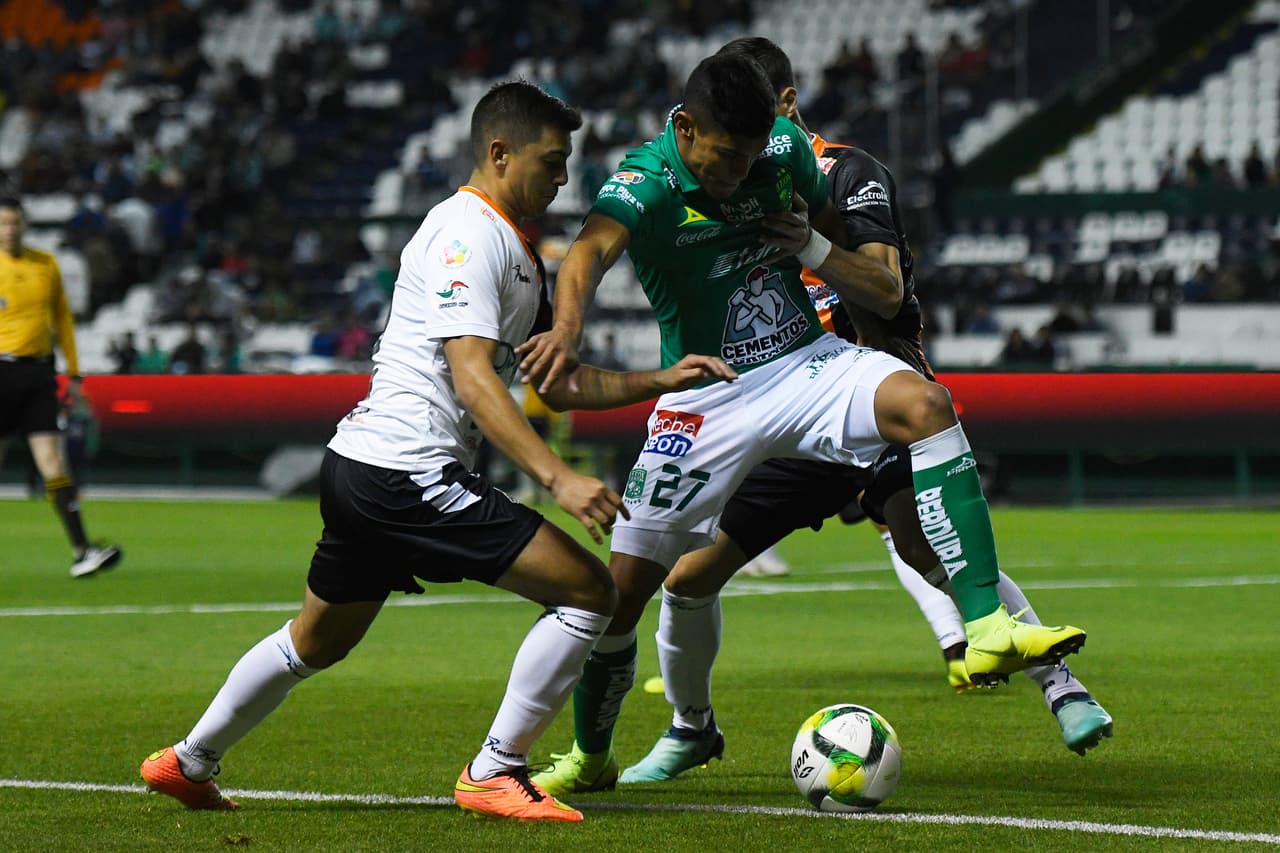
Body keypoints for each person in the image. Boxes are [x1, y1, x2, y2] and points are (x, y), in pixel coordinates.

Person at [137, 80, 736, 823]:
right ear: (498, 152)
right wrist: (557, 477)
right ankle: (496, 768)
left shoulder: (514, 249)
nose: (562, 180)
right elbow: (474, 377)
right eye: (551, 163)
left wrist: (659, 378)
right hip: (404, 470)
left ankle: (187, 760)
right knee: (589, 590)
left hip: (362, 469)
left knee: (316, 639)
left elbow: (560, 379)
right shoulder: (466, 232)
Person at [517, 51, 1088, 797]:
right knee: (624, 592)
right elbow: (587, 251)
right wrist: (565, 328)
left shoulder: (781, 149)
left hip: (804, 363)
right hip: (707, 397)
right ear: (686, 129)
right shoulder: (644, 181)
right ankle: (595, 754)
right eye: (726, 158)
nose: (739, 173)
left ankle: (983, 627)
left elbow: (841, 248)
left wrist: (816, 244)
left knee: (927, 404)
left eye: (753, 156)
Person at [0, 196, 122, 578]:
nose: (9, 230)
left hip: (38, 375)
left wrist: (74, 372)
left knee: (53, 464)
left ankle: (82, 550)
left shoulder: (45, 264)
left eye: (14, 223)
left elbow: (62, 320)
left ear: (25, 225)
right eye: (3, 223)